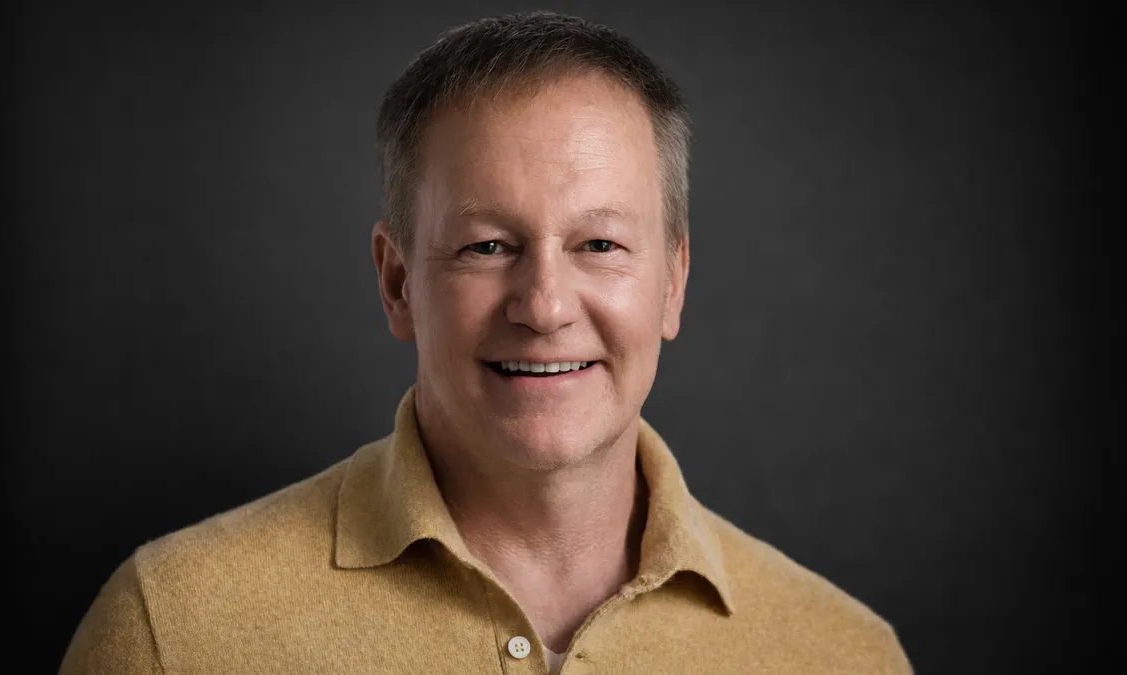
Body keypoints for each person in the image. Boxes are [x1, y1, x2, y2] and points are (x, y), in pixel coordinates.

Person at [60, 11, 913, 674]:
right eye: (486, 246)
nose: (543, 305)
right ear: (397, 282)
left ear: (674, 282)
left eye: (600, 245)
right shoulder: (170, 629)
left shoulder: (843, 652)